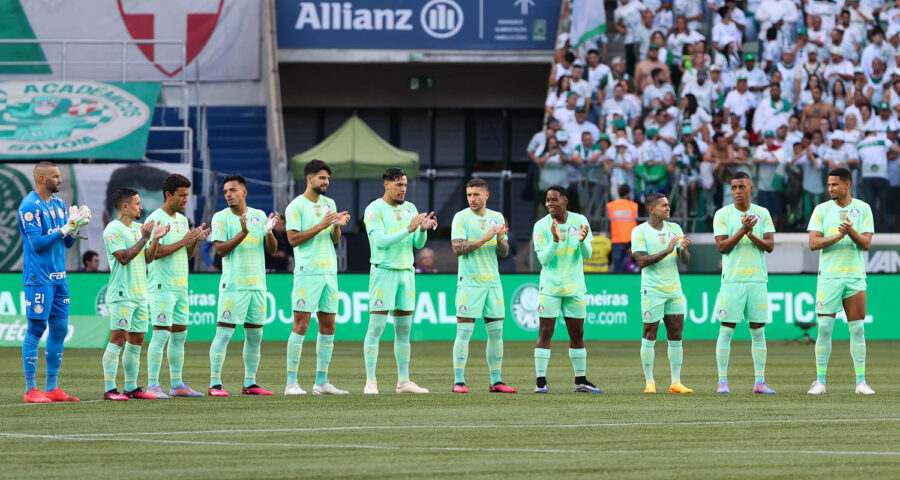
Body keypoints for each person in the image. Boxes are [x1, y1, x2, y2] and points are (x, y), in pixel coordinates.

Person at [18, 162, 90, 403]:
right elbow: (37, 244)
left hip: (60, 276)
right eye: (56, 176)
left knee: (59, 329)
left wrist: (75, 226)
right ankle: (31, 390)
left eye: (60, 176)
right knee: (36, 329)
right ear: (41, 179)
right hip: (39, 277)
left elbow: (67, 243)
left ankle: (52, 387)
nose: (60, 180)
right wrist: (64, 229)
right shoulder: (29, 206)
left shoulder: (59, 205)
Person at [362, 168, 436, 394]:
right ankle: (370, 381)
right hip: (384, 271)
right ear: (386, 184)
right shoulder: (374, 209)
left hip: (406, 272)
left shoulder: (410, 209)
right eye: (398, 184)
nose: (402, 189)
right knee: (376, 327)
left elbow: (418, 244)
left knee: (404, 330)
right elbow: (381, 242)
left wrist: (422, 230)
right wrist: (409, 228)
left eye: (404, 184)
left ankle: (403, 381)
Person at [207, 175, 280, 397]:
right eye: (225, 191)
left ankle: (250, 383)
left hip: (257, 285)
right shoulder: (220, 218)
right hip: (233, 286)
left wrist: (269, 233)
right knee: (224, 334)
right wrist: (243, 233)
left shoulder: (258, 215)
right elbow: (220, 250)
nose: (228, 195)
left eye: (232, 190)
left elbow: (273, 250)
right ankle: (215, 384)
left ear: (244, 192)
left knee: (255, 336)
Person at [283, 160, 351, 396]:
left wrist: (336, 226)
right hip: (307, 272)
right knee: (301, 325)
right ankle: (292, 383)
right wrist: (322, 224)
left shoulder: (329, 203)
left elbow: (334, 239)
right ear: (309, 179)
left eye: (328, 179)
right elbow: (292, 239)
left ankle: (321, 382)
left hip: (329, 272)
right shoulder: (296, 206)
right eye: (322, 178)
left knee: (328, 326)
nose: (326, 182)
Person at [807, 168, 875, 395]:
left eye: (834, 184)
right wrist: (838, 235)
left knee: (857, 329)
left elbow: (866, 243)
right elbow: (813, 243)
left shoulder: (863, 209)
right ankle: (819, 381)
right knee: (824, 327)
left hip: (854, 277)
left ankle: (861, 382)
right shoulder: (821, 210)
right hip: (828, 277)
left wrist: (851, 232)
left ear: (847, 185)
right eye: (828, 185)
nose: (830, 189)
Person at [532, 186, 603, 394]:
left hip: (575, 288)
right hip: (551, 287)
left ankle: (580, 380)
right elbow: (543, 260)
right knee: (545, 332)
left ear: (565, 201)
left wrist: (581, 242)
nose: (549, 204)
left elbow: (587, 254)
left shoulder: (580, 220)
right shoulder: (541, 226)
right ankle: (540, 382)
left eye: (554, 199)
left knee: (577, 333)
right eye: (547, 200)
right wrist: (555, 240)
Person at [145, 174, 210, 398]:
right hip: (162, 285)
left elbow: (186, 252)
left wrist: (194, 241)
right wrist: (184, 240)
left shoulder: (182, 220)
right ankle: (152, 385)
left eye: (187, 195)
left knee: (180, 335)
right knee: (161, 334)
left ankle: (177, 385)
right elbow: (154, 253)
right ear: (168, 194)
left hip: (181, 284)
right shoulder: (155, 219)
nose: (185, 200)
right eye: (181, 195)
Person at [449, 179, 516, 394]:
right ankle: (459, 381)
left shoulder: (496, 217)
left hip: (493, 282)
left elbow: (504, 252)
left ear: (487, 195)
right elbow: (458, 249)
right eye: (469, 195)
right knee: (464, 333)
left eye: (476, 195)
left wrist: (500, 239)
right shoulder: (461, 218)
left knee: (496, 334)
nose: (472, 199)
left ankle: (496, 381)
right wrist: (485, 237)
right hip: (470, 283)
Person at [712, 172, 777, 395]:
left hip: (757, 280)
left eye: (741, 187)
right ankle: (722, 381)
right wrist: (742, 231)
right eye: (733, 187)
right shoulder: (722, 214)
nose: (737, 191)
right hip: (732, 280)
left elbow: (769, 246)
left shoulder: (763, 213)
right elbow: (722, 247)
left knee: (758, 331)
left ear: (751, 188)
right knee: (727, 330)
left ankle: (760, 382)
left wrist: (751, 234)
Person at [101, 188, 167, 400]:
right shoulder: (113, 229)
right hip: (122, 292)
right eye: (137, 203)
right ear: (125, 206)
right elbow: (123, 257)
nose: (141, 207)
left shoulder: (139, 228)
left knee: (137, 340)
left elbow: (146, 258)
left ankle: (131, 387)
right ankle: (110, 389)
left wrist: (154, 239)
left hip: (140, 293)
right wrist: (144, 238)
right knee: (118, 338)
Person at [631, 193, 693, 394]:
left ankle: (676, 382)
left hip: (674, 290)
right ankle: (650, 382)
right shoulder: (639, 231)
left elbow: (685, 261)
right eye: (663, 205)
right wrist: (667, 251)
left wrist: (682, 250)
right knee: (649, 334)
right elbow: (642, 261)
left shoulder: (675, 229)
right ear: (651, 209)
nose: (668, 208)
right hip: (653, 290)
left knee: (676, 335)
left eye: (668, 205)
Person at [607, 184, 638, 273]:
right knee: (631, 267)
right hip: (631, 241)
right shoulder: (634, 206)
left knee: (618, 267)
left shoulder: (610, 205)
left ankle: (617, 286)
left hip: (617, 240)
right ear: (627, 194)